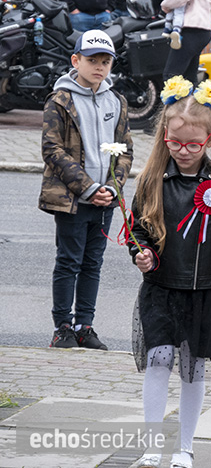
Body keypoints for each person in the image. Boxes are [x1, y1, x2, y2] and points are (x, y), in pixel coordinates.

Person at [126, 77, 211, 468]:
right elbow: (137, 229)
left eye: (193, 145)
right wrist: (141, 252)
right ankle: (151, 447)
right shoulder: (151, 180)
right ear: (164, 135)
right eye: (174, 142)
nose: (183, 151)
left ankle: (185, 447)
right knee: (158, 362)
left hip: (204, 291)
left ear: (210, 139)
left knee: (193, 371)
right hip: (160, 289)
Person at [38, 29, 133, 351]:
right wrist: (89, 188)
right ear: (76, 60)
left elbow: (125, 150)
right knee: (69, 262)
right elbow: (52, 150)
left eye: (105, 62)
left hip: (105, 199)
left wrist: (113, 187)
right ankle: (62, 327)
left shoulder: (116, 101)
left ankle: (84, 325)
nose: (99, 67)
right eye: (92, 60)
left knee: (93, 263)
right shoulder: (60, 100)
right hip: (73, 199)